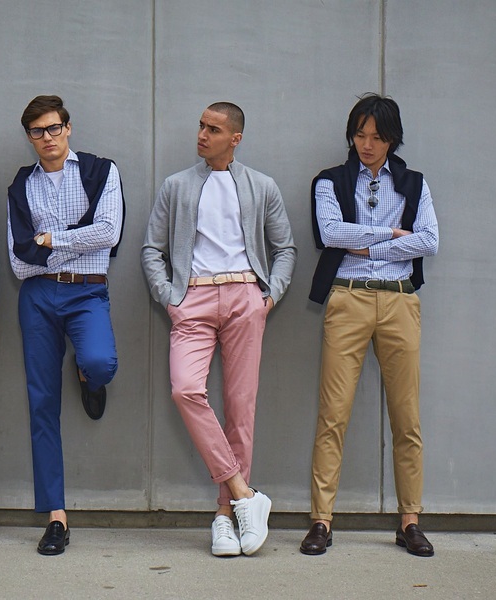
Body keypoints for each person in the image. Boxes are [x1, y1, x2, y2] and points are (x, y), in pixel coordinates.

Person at [142, 102, 297, 557]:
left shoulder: (262, 186)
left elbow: (285, 248)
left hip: (245, 297)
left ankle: (225, 516)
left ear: (235, 138)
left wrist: (269, 296)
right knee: (186, 390)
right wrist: (169, 297)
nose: (202, 134)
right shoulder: (177, 185)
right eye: (201, 126)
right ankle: (245, 493)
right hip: (192, 299)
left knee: (240, 409)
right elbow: (152, 249)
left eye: (213, 129)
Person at [302, 94, 439, 557]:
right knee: (333, 415)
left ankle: (410, 521)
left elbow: (429, 241)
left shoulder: (414, 183)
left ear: (392, 139)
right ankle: (321, 521)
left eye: (377, 137)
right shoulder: (330, 181)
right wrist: (392, 235)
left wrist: (365, 244)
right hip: (348, 297)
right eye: (360, 135)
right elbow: (331, 234)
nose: (366, 144)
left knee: (407, 417)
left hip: (400, 301)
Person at [7, 95, 122, 556]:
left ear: (68, 128)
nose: (47, 138)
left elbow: (109, 232)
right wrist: (79, 239)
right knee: (42, 403)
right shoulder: (21, 184)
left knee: (101, 362)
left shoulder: (100, 171)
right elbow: (20, 262)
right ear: (29, 137)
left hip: (87, 292)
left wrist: (51, 240)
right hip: (36, 297)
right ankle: (56, 516)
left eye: (54, 128)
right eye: (37, 131)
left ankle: (87, 376)